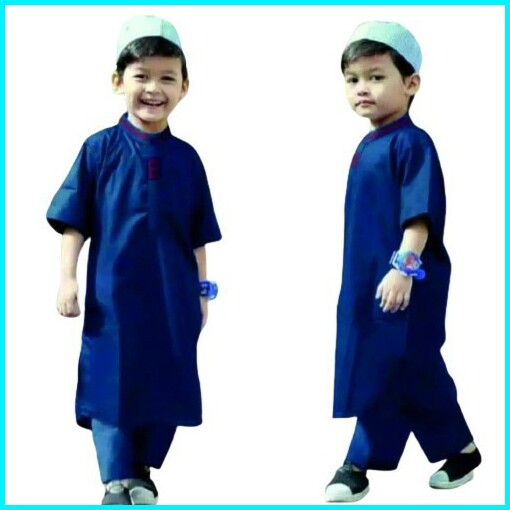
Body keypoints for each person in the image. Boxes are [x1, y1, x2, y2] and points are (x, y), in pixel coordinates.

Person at [47, 15, 222, 505]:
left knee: (168, 378)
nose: (153, 89)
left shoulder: (187, 159)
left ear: (185, 87)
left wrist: (203, 292)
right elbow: (74, 221)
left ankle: (141, 470)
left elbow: (199, 236)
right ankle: (115, 478)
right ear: (117, 81)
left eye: (167, 77)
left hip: (172, 297)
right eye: (141, 76)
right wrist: (66, 278)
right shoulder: (99, 149)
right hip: (114, 297)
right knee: (110, 379)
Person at [325, 21, 481, 503]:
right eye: (353, 79)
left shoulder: (412, 143)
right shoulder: (368, 145)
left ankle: (357, 463)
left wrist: (403, 268)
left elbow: (419, 215)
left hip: (407, 282)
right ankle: (461, 448)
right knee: (401, 369)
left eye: (376, 77)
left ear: (411, 83)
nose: (362, 88)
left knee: (396, 364)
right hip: (369, 281)